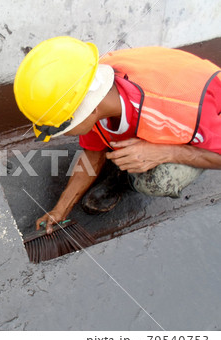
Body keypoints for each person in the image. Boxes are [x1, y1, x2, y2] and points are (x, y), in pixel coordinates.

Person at [13, 36, 221, 233]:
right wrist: (61, 209)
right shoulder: (88, 87)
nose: (63, 134)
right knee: (120, 142)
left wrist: (165, 153)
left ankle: (127, 180)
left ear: (89, 110)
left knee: (159, 180)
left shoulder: (180, 111)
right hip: (171, 106)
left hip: (207, 115)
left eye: (64, 128)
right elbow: (93, 154)